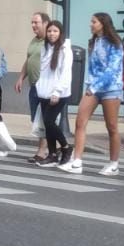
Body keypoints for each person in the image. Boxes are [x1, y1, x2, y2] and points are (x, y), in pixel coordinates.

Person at [62, 13, 124, 176]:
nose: (91, 24)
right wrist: (90, 85)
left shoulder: (115, 43)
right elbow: (92, 68)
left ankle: (114, 163)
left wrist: (94, 87)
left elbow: (112, 70)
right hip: (93, 88)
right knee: (80, 121)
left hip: (111, 89)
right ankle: (77, 161)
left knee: (112, 127)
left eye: (94, 22)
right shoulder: (94, 41)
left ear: (103, 24)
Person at [33, 20, 73, 167]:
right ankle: (52, 154)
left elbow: (65, 73)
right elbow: (44, 71)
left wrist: (57, 91)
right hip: (44, 92)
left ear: (60, 33)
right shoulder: (45, 48)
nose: (52, 34)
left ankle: (66, 147)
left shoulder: (64, 50)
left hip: (59, 93)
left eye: (55, 31)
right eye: (49, 31)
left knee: (49, 121)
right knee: (47, 124)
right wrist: (39, 87)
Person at [14, 12, 49, 160]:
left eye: (36, 22)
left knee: (44, 120)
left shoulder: (50, 40)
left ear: (45, 23)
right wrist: (21, 77)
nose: (33, 25)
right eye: (32, 23)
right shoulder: (34, 41)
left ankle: (42, 151)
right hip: (34, 86)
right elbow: (28, 60)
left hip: (46, 87)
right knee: (36, 119)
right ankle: (54, 148)